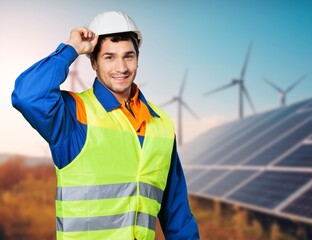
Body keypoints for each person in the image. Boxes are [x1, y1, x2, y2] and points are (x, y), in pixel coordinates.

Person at [12, 11, 199, 240]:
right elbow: (26, 95)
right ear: (93, 62)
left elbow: (178, 216)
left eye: (128, 56)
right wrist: (71, 48)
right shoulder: (73, 114)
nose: (121, 68)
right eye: (109, 57)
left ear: (138, 59)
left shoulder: (162, 124)